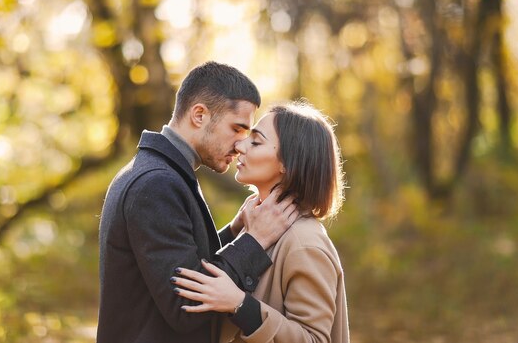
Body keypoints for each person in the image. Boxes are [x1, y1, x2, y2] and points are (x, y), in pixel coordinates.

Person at [97, 61, 299, 343]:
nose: (241, 145)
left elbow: (177, 261)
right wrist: (254, 240)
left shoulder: (160, 172)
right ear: (200, 115)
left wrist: (233, 231)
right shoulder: (156, 183)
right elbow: (186, 306)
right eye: (237, 129)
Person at [172, 101, 350, 343]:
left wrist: (240, 304)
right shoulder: (256, 225)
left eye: (255, 141)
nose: (239, 145)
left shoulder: (304, 243)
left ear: (287, 163)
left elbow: (315, 339)